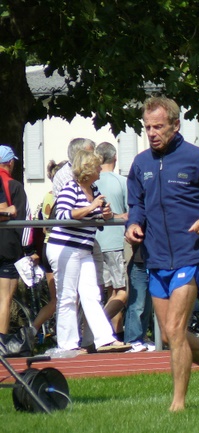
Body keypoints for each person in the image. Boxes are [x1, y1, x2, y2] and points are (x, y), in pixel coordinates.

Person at [125, 96, 199, 412]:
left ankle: (178, 404)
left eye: (158, 126)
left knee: (174, 330)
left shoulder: (197, 158)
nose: (152, 133)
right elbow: (137, 203)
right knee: (173, 333)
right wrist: (134, 223)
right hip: (156, 257)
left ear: (175, 125)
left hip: (190, 253)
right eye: (147, 127)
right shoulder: (141, 164)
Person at [46, 150, 130, 353]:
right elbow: (63, 215)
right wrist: (92, 207)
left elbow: (96, 218)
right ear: (88, 169)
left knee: (92, 293)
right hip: (65, 248)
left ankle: (104, 339)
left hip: (84, 249)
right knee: (67, 296)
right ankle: (67, 344)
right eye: (97, 166)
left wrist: (105, 214)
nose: (101, 169)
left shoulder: (94, 189)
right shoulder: (71, 188)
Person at [95, 141, 129, 340]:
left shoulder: (92, 181)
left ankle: (115, 333)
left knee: (110, 291)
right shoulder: (121, 181)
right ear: (115, 158)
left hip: (96, 241)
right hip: (116, 241)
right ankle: (97, 327)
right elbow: (129, 212)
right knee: (122, 291)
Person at [0, 145, 34, 335]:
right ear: (11, 162)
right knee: (4, 299)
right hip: (8, 246)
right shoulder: (15, 186)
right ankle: (1, 343)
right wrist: (29, 250)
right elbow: (25, 221)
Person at [32, 159, 67, 333]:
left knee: (58, 298)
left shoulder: (47, 196)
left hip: (48, 246)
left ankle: (37, 329)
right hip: (57, 245)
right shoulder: (58, 196)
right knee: (61, 298)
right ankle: (33, 329)